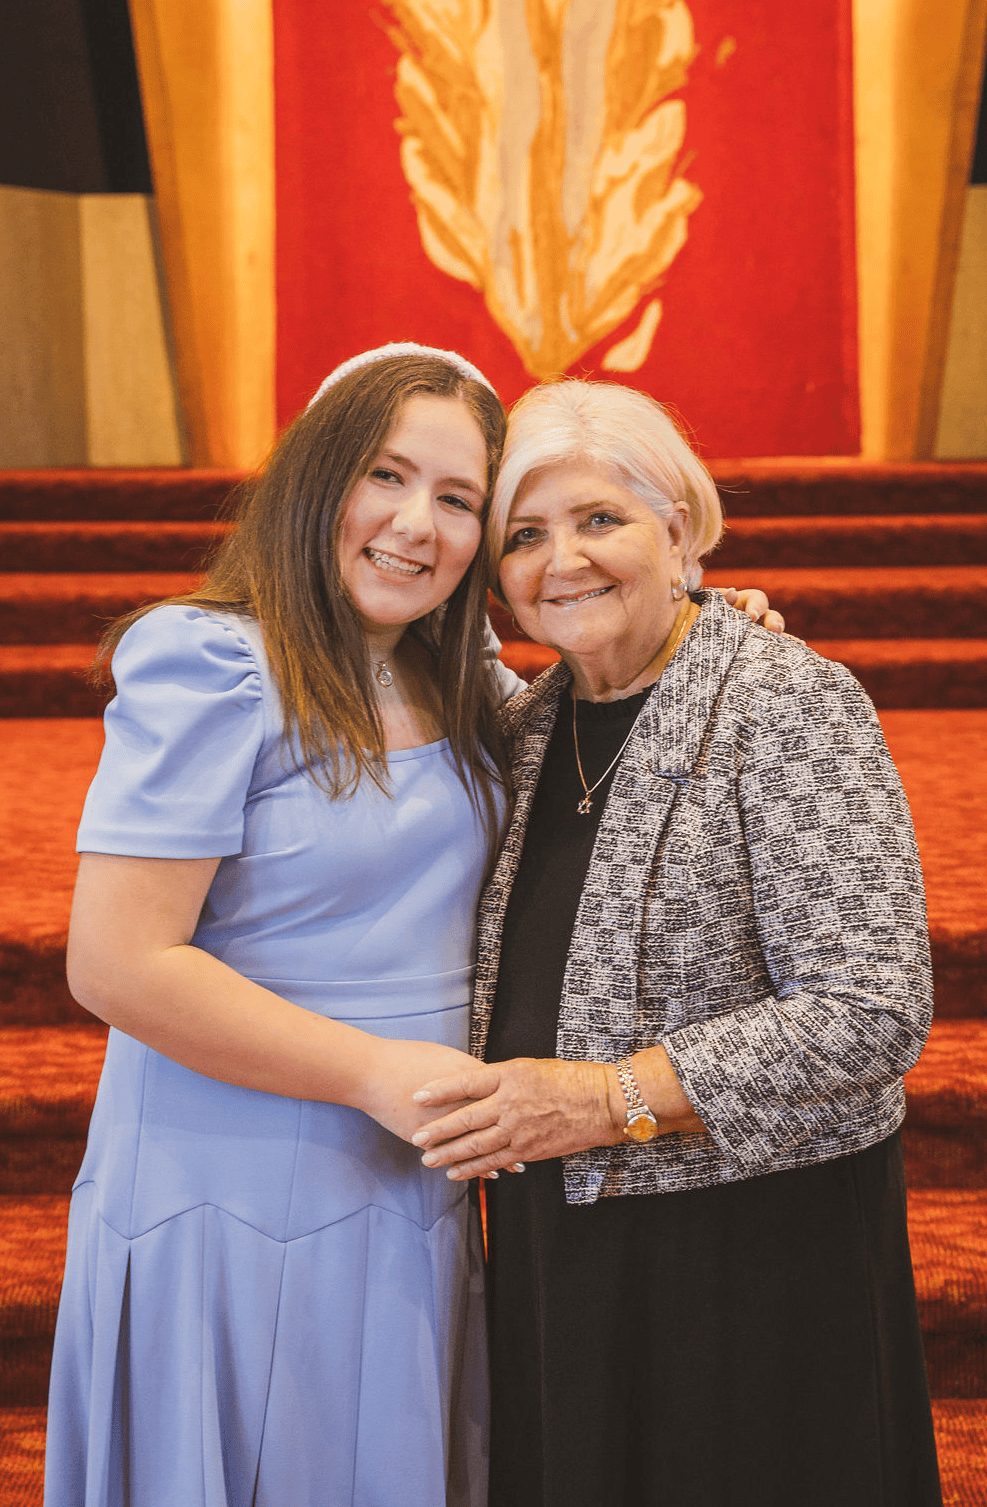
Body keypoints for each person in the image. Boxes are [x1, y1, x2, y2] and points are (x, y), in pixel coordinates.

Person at [45, 342, 778, 1507]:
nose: (414, 525)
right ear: (315, 477)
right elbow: (117, 962)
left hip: (417, 1166)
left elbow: (595, 723)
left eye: (457, 499)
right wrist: (380, 1075)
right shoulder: (215, 663)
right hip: (237, 1167)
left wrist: (697, 630)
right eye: (385, 476)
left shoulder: (462, 672)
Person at [411, 379, 943, 1507]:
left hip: (753, 1253)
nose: (564, 561)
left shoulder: (789, 701)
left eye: (602, 519)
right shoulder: (529, 718)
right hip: (568, 1238)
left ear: (680, 529)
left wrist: (607, 1099)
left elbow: (872, 1005)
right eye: (525, 535)